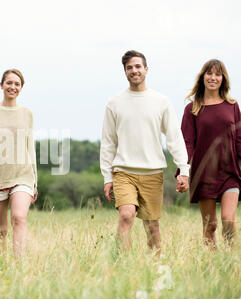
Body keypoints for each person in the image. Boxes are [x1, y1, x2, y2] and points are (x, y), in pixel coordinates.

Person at [100, 50, 190, 252]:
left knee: (152, 226)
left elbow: (174, 137)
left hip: (152, 172)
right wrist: (107, 176)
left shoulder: (161, 101)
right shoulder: (114, 103)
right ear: (125, 72)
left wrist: (184, 169)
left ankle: (155, 269)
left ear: (146, 69)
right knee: (126, 215)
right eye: (129, 67)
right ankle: (121, 265)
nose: (134, 71)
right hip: (123, 171)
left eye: (138, 66)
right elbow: (108, 142)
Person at [180, 59, 240, 248]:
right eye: (209, 73)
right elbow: (187, 143)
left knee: (228, 219)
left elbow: (239, 139)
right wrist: (182, 172)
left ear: (223, 79)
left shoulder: (232, 105)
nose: (213, 78)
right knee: (210, 226)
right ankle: (212, 265)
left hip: (230, 172)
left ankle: (232, 262)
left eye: (218, 74)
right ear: (203, 76)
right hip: (204, 174)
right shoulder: (192, 109)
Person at [0, 69, 38, 257]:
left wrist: (34, 180)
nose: (13, 87)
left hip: (23, 176)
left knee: (19, 218)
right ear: (2, 85)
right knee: (0, 231)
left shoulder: (27, 113)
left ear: (21, 88)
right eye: (9, 83)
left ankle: (19, 265)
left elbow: (30, 147)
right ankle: (0, 268)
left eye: (17, 84)